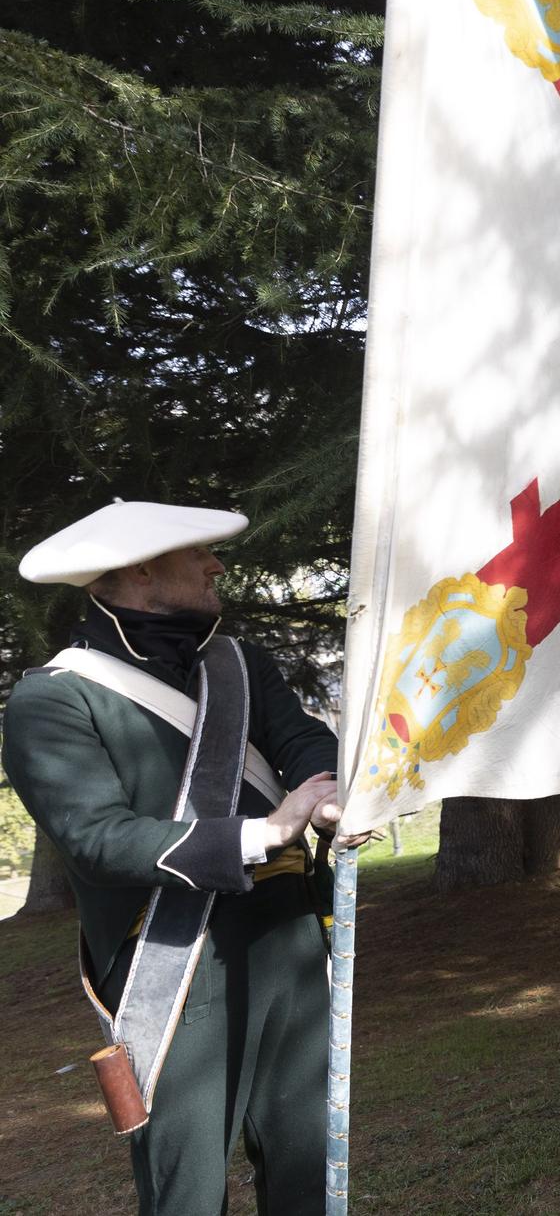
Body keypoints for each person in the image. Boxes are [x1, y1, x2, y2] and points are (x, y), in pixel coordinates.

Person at [4, 500, 344, 1214]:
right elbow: (99, 838)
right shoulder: (53, 697)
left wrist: (325, 791)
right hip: (176, 956)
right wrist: (262, 832)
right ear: (142, 571)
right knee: (187, 1191)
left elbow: (303, 738)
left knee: (310, 1170)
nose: (216, 564)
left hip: (287, 936)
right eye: (197, 554)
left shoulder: (237, 663)